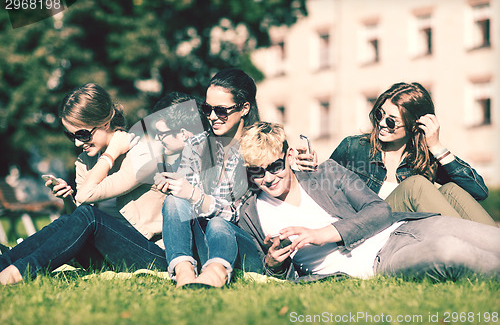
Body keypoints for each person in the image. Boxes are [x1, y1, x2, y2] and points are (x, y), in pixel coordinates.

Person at [237, 121, 500, 281]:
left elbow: (380, 210)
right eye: (256, 171)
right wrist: (274, 264)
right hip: (380, 260)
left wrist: (322, 234)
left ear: (289, 155)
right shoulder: (252, 213)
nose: (268, 178)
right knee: (451, 252)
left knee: (493, 240)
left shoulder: (326, 172)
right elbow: (269, 273)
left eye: (274, 166)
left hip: (404, 228)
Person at [0, 84, 185, 285]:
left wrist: (110, 154)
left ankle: (19, 273)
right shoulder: (86, 161)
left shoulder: (142, 155)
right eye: (71, 136)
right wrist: (68, 199)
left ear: (105, 123)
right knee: (64, 222)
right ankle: (4, 263)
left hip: (154, 254)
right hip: (110, 251)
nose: (77, 143)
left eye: (82, 134)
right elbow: (78, 216)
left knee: (90, 217)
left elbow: (87, 200)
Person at [298, 82, 495, 226]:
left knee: (451, 190)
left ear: (414, 125)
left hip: (410, 231)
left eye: (391, 120)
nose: (382, 123)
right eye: (379, 114)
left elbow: (479, 191)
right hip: (371, 230)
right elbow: (322, 193)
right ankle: (470, 245)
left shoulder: (423, 158)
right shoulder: (354, 147)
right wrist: (313, 170)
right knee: (415, 185)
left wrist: (437, 147)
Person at [155, 68, 263, 288]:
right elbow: (186, 202)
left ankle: (216, 275)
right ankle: (184, 273)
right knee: (174, 201)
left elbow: (238, 214)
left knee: (217, 224)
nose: (212, 116)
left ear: (244, 109)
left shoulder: (257, 149)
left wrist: (194, 195)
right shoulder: (197, 145)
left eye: (221, 110)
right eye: (207, 109)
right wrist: (176, 188)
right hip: (203, 241)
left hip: (239, 244)